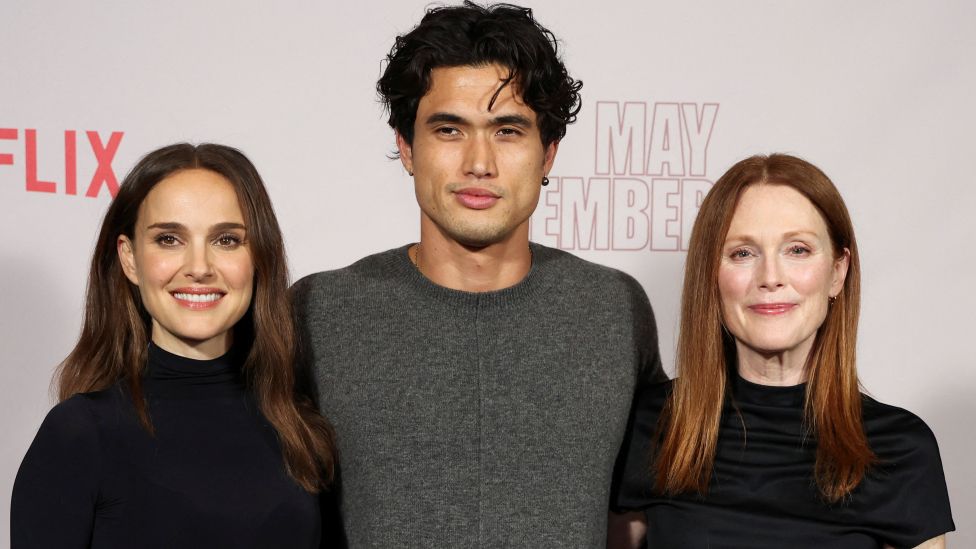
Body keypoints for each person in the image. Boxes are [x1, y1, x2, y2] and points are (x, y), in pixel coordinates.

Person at [291, 2, 665, 547]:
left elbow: (638, 515)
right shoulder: (320, 310)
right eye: (449, 129)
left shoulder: (613, 308)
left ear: (548, 155)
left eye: (508, 131)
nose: (479, 163)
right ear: (406, 148)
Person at [610, 154, 954, 548]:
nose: (770, 277)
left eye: (798, 250)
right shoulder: (652, 427)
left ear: (837, 273)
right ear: (711, 276)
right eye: (742, 253)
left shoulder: (899, 448)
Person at [11, 143, 336, 548]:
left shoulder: (300, 427)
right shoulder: (80, 436)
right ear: (129, 258)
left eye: (227, 240)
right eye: (169, 239)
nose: (199, 267)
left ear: (258, 257)